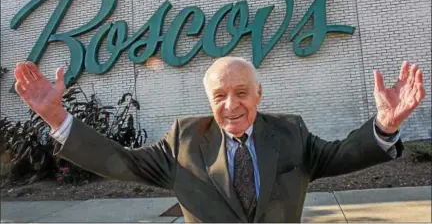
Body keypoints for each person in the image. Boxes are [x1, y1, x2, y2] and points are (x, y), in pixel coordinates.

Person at [14, 57, 425, 223]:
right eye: (219, 96)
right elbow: (118, 160)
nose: (231, 105)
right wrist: (57, 117)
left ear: (259, 95)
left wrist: (384, 125)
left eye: (241, 93)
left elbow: (342, 155)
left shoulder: (291, 131)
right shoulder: (184, 140)